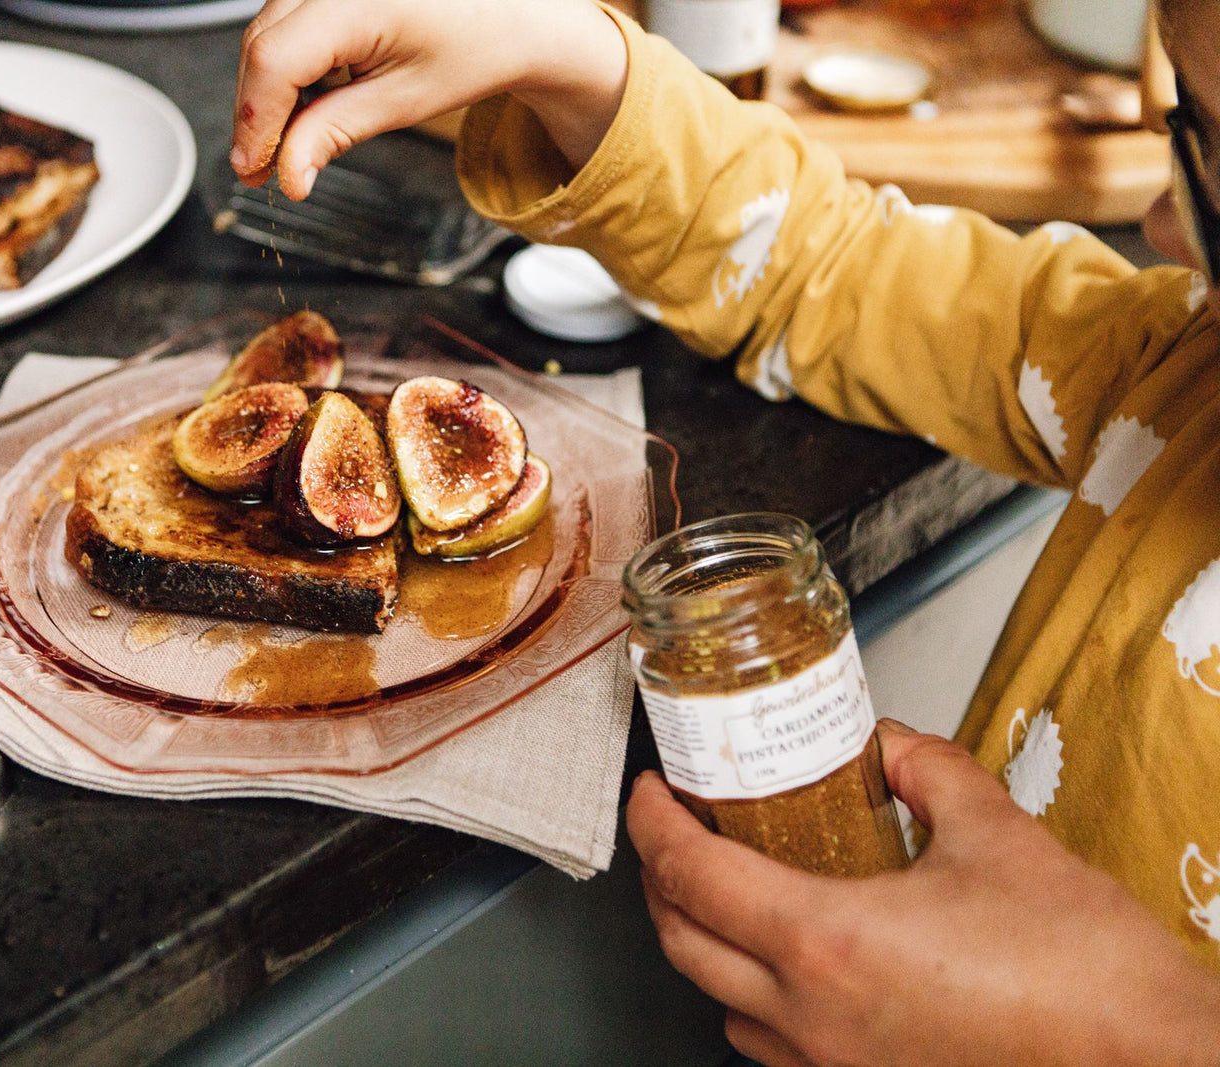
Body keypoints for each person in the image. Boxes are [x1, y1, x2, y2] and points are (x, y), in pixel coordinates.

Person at [230, 0, 1220, 1062]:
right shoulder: (1173, 373)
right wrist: (571, 61)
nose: (1165, 225)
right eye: (1193, 128)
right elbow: (825, 262)